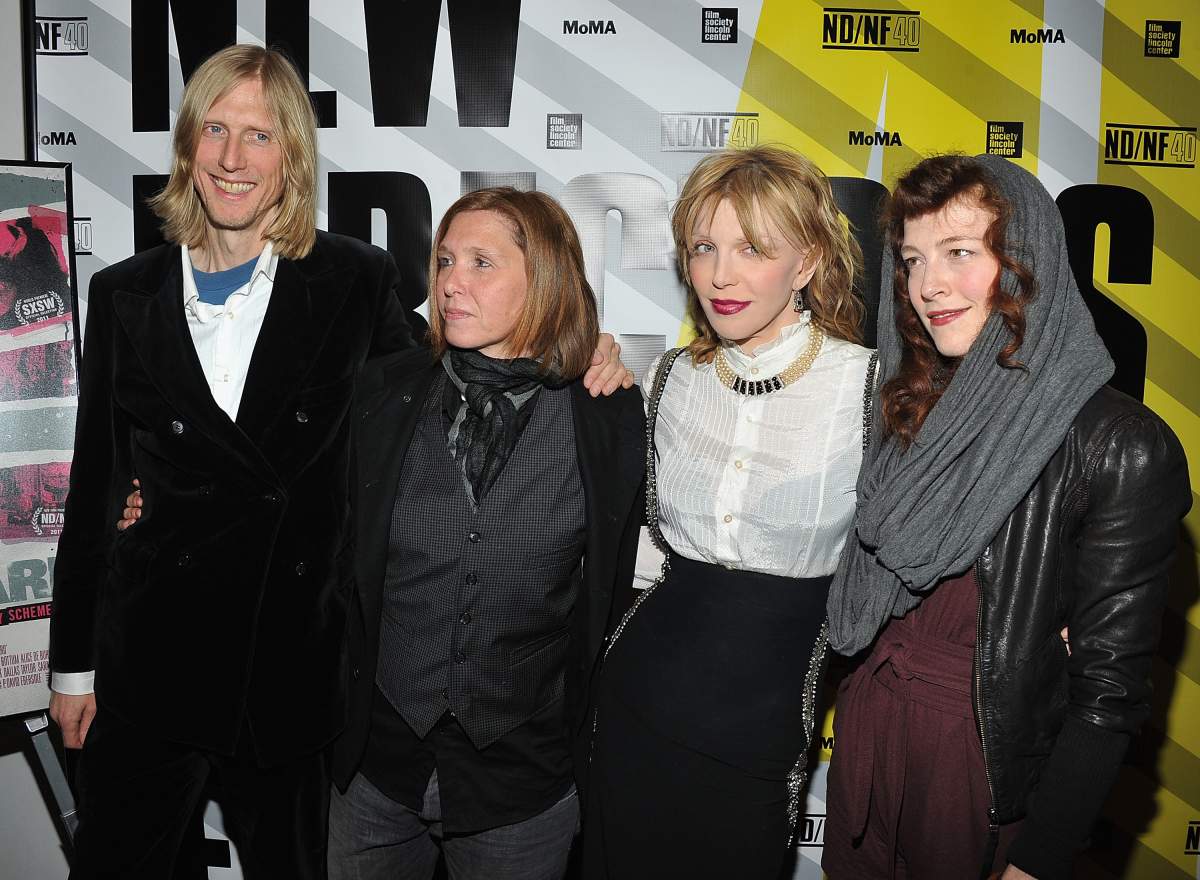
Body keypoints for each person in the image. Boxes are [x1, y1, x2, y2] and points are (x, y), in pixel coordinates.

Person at [50, 44, 629, 879]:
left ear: (292, 157)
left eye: (259, 136)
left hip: (290, 676)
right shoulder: (123, 292)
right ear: (187, 143)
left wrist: (584, 344)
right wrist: (75, 667)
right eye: (215, 128)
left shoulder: (353, 279)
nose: (232, 157)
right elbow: (93, 492)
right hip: (150, 664)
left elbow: (446, 376)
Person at [822, 154, 1190, 880]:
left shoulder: (1120, 443)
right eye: (914, 260)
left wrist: (1038, 861)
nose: (930, 285)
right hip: (870, 744)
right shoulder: (906, 409)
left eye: (961, 253)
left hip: (978, 774)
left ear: (1026, 261)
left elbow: (1109, 695)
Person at [323, 187, 645, 880]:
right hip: (376, 770)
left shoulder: (605, 414)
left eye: (480, 263)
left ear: (544, 281)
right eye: (444, 260)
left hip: (521, 782)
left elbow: (616, 592)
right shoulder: (382, 393)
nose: (448, 283)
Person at [582, 145, 875, 879]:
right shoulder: (671, 377)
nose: (720, 274)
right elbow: (641, 548)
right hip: (636, 700)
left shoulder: (867, 388)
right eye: (704, 247)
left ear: (806, 262)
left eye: (752, 248)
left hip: (764, 721)